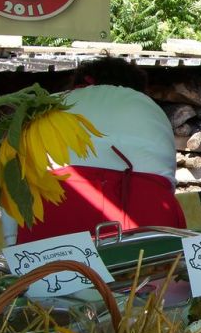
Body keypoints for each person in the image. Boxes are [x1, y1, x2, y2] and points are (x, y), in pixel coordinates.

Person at [15, 56, 185, 243]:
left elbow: (15, 178)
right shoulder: (149, 107)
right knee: (156, 269)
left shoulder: (50, 104)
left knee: (51, 270)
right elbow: (166, 180)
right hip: (147, 207)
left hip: (56, 204)